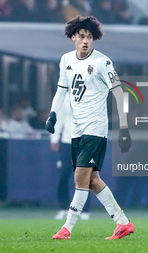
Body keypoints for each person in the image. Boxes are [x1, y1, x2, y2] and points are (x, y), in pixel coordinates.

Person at [45, 16, 133, 240]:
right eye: (82, 36)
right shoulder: (66, 60)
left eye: (90, 37)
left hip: (96, 127)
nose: (86, 41)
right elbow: (62, 90)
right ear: (73, 37)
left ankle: (67, 229)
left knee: (79, 178)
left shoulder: (103, 62)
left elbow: (119, 92)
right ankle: (122, 222)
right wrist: (53, 113)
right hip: (77, 129)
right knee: (92, 181)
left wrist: (123, 127)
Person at [51, 93, 90, 220]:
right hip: (67, 142)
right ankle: (63, 208)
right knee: (63, 175)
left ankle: (84, 210)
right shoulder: (65, 96)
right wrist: (54, 138)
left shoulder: (91, 95)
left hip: (84, 142)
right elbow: (59, 118)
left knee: (84, 176)